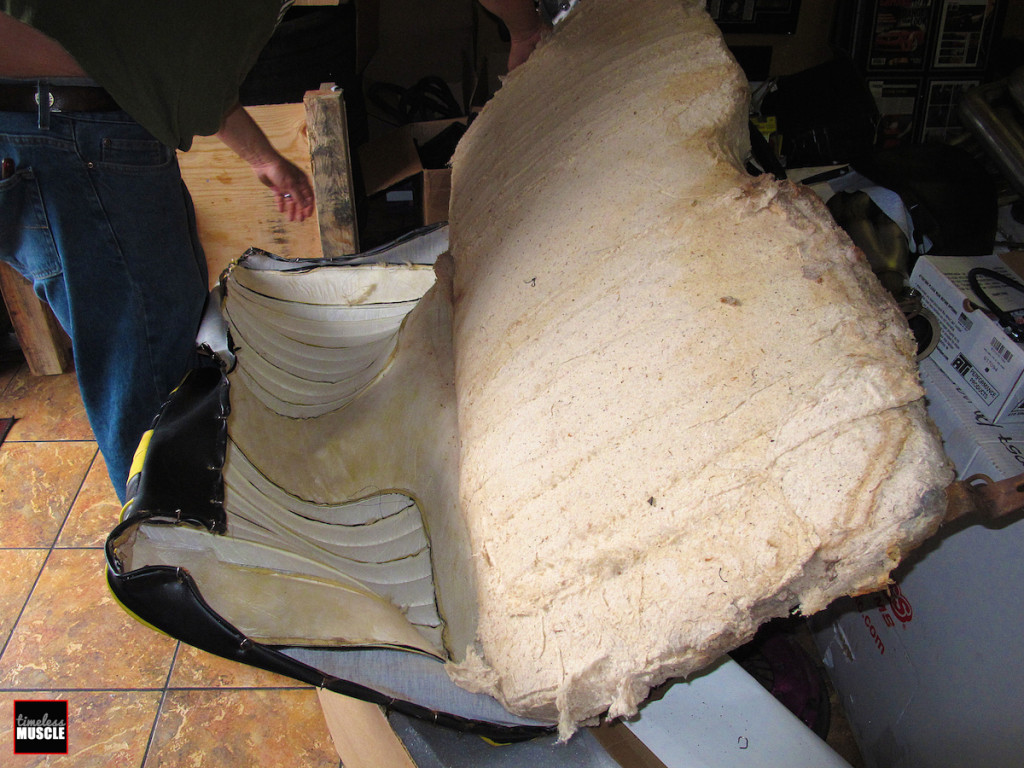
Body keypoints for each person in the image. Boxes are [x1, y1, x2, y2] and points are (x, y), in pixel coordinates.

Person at [0, 1, 314, 503]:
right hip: (71, 134)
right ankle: (169, 553)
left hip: (86, 130)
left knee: (167, 345)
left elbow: (167, 59)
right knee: (146, 371)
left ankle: (180, 523)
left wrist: (263, 158)